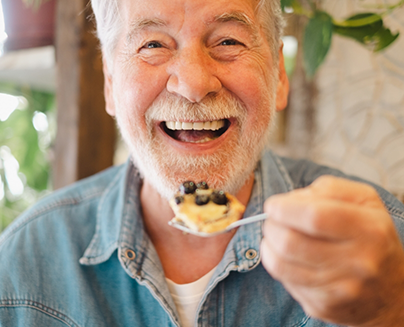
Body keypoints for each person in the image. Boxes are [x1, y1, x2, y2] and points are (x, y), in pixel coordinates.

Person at [1, 0, 404, 326]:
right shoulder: (22, 265)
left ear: (279, 75)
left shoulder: (387, 248)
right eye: (153, 45)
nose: (194, 84)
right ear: (110, 84)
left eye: (228, 41)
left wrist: (388, 312)